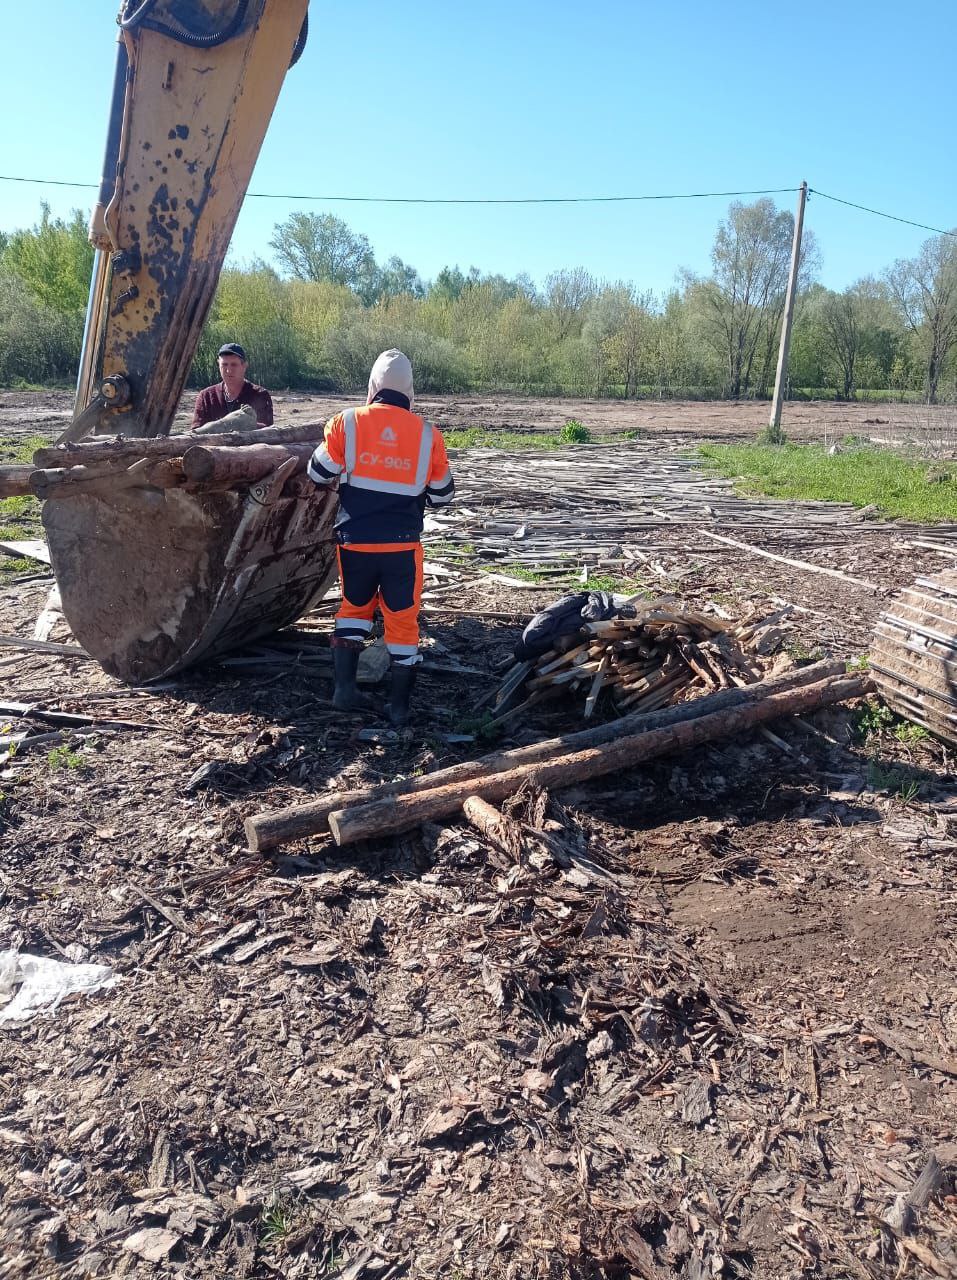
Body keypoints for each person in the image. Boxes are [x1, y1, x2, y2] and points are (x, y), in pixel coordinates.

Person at [307, 349, 455, 726]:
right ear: (410, 392)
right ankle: (399, 708)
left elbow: (318, 472)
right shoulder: (428, 435)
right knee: (402, 622)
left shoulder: (347, 422)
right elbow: (443, 496)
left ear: (372, 387)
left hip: (354, 541)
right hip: (402, 547)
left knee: (353, 610)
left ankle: (344, 691)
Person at [191, 343, 274, 430]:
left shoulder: (260, 395)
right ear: (218, 364)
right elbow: (195, 432)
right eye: (224, 364)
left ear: (244, 366)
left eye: (234, 365)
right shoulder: (206, 396)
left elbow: (269, 431)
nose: (228, 370)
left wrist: (252, 424)